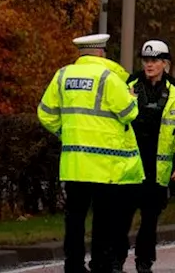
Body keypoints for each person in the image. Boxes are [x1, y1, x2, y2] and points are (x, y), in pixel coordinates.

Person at [37, 33, 144, 273]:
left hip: (74, 163)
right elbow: (129, 113)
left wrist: (66, 134)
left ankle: (73, 265)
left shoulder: (62, 75)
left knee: (74, 218)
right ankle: (100, 264)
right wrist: (133, 99)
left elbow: (45, 113)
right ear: (100, 53)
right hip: (104, 164)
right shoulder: (108, 77)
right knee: (102, 218)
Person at [114, 40, 175, 273]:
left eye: (154, 60)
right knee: (123, 216)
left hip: (157, 167)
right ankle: (116, 261)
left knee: (150, 220)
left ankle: (144, 262)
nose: (149, 65)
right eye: (146, 60)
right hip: (130, 163)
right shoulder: (129, 84)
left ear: (164, 63)